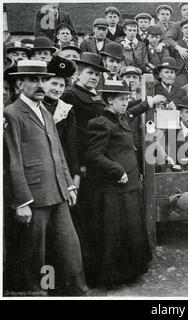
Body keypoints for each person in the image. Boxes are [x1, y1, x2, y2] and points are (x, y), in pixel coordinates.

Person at [4, 59, 87, 295]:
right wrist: (22, 202)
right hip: (33, 197)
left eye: (42, 79)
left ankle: (77, 293)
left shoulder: (46, 111)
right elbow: (13, 161)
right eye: (33, 80)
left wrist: (69, 186)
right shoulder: (11, 114)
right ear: (20, 84)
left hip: (58, 192)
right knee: (34, 256)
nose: (40, 85)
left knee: (70, 249)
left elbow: (57, 152)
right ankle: (34, 295)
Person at [86, 80, 152, 287]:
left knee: (130, 229)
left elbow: (133, 112)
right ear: (110, 100)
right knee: (114, 232)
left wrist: (149, 102)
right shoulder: (100, 123)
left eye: (126, 99)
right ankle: (112, 277)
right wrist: (117, 170)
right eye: (121, 100)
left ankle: (131, 272)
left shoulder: (121, 118)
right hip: (114, 187)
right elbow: (94, 155)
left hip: (129, 185)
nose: (125, 103)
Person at [61, 53, 108, 281]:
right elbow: (72, 137)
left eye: (97, 74)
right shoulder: (71, 95)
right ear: (78, 74)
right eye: (90, 72)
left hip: (97, 165)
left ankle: (97, 269)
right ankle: (85, 271)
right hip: (84, 167)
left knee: (97, 217)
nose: (94, 77)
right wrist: (77, 168)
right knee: (84, 218)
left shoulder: (94, 96)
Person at [42, 55, 80, 187]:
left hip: (61, 165)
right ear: (43, 83)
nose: (57, 89)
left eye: (61, 85)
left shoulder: (66, 110)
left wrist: (76, 173)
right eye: (53, 83)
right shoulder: (34, 106)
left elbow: (71, 143)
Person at [171, 19, 188, 87]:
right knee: (180, 85)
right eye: (185, 28)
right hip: (180, 72)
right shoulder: (176, 44)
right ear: (182, 30)